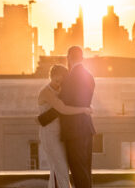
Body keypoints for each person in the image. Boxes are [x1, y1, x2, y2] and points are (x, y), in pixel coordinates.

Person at [38, 46, 96, 188]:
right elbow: (76, 102)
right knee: (85, 169)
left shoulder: (69, 79)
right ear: (82, 58)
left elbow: (63, 106)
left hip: (74, 133)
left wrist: (42, 119)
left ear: (69, 57)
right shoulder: (89, 76)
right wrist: (86, 109)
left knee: (77, 171)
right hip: (87, 129)